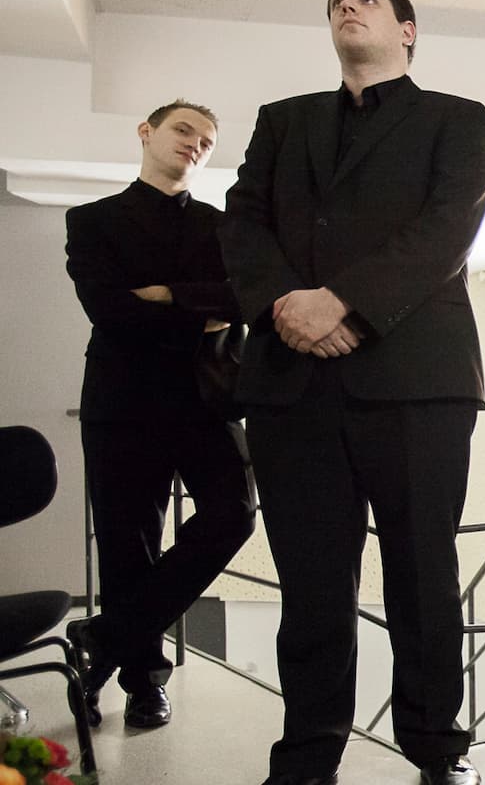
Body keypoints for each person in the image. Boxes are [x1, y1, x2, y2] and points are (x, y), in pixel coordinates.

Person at [219, 0, 485, 785]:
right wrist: (284, 307)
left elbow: (450, 225)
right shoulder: (283, 122)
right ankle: (306, 759)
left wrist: (342, 303)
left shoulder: (457, 119)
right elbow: (242, 222)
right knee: (308, 587)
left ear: (408, 30)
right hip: (290, 384)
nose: (347, 6)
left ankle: (437, 751)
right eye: (337, 0)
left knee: (423, 577)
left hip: (415, 380)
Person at [63, 99, 255, 731]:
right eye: (183, 130)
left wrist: (166, 295)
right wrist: (198, 312)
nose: (195, 144)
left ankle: (103, 638)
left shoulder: (224, 226)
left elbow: (243, 298)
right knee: (128, 545)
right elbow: (110, 310)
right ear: (146, 133)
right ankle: (143, 682)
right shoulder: (90, 221)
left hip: (207, 399)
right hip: (123, 402)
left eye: (205, 139)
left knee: (233, 514)